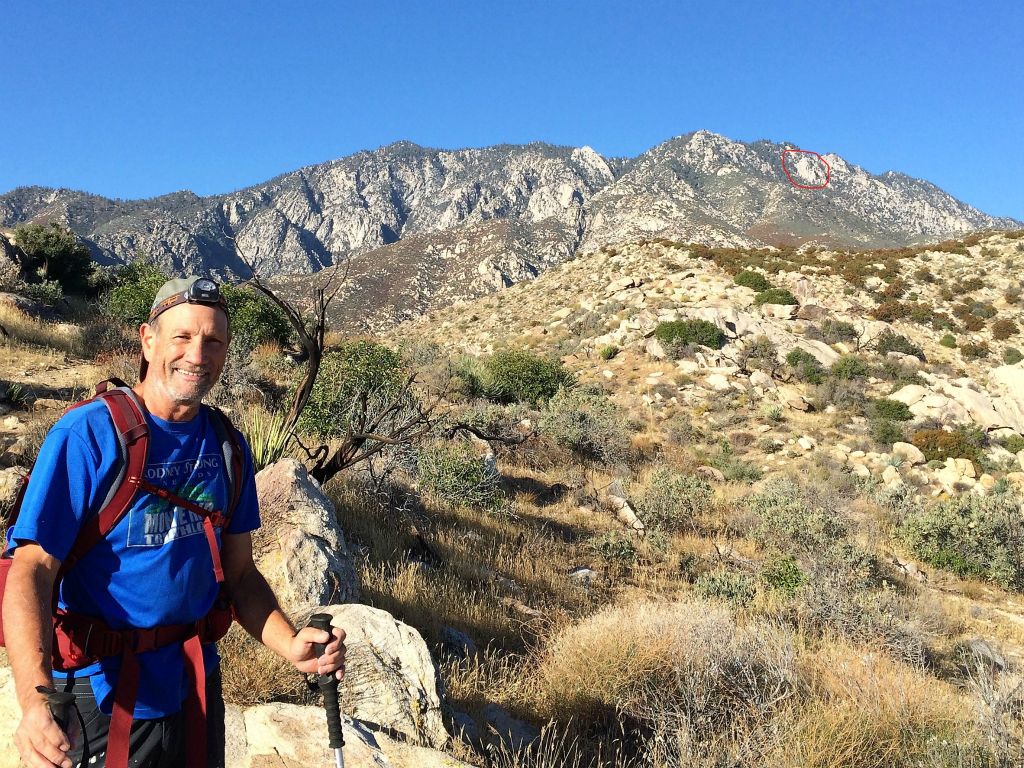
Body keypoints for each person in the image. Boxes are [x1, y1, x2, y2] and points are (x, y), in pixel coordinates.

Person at [4, 277, 346, 768]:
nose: (197, 354)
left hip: (193, 686)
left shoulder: (227, 444)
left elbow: (241, 574)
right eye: (182, 337)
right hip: (100, 697)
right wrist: (34, 702)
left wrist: (290, 643)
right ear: (148, 340)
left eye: (213, 341)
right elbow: (32, 567)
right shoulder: (88, 435)